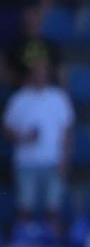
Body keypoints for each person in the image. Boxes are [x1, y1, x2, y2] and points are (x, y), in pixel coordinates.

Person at [2, 54, 72, 232]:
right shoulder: (19, 99)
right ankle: (20, 242)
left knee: (53, 210)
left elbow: (67, 131)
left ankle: (53, 244)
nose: (40, 74)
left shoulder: (58, 98)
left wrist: (64, 159)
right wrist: (22, 137)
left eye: (43, 71)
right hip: (26, 162)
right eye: (36, 71)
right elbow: (7, 129)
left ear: (48, 74)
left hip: (53, 161)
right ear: (31, 73)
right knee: (25, 209)